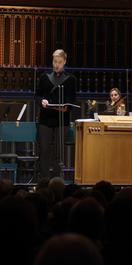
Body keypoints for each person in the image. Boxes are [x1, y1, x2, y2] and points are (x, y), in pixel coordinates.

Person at [36, 49, 78, 179]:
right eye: (55, 62)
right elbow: (37, 95)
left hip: (62, 118)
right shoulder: (44, 76)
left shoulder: (71, 79)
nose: (57, 65)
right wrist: (41, 101)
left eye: (59, 62)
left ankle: (57, 180)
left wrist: (66, 108)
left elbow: (72, 100)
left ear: (64, 62)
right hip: (46, 118)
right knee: (45, 151)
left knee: (59, 152)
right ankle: (44, 180)